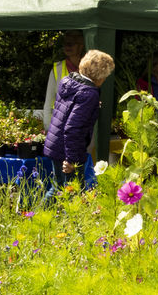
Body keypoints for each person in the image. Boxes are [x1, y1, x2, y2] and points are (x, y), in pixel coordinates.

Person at [43, 49, 114, 193]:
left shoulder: (68, 81)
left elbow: (69, 110)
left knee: (58, 188)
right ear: (99, 76)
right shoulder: (89, 93)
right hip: (68, 150)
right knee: (72, 192)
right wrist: (71, 160)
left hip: (55, 143)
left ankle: (35, 215)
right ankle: (36, 215)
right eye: (106, 76)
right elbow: (73, 128)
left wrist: (92, 106)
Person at [43, 30, 85, 130]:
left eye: (72, 43)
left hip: (83, 129)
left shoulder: (89, 68)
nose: (68, 46)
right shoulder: (57, 68)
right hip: (60, 128)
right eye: (66, 43)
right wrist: (48, 128)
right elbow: (49, 103)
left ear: (82, 45)